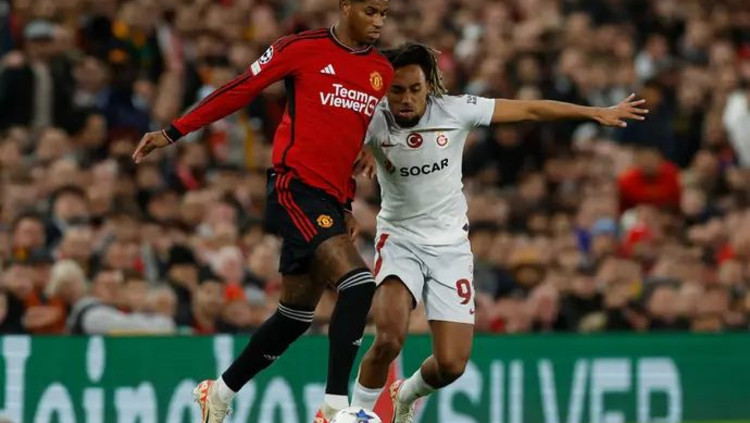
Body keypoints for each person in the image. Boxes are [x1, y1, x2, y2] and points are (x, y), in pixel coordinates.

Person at [350, 43, 648, 422]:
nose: (406, 99)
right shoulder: (372, 120)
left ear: (428, 88)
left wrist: (594, 112)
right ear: (385, 90)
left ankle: (405, 393)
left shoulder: (455, 110)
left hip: (450, 247)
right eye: (397, 91)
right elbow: (334, 157)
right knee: (389, 338)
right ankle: (355, 414)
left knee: (452, 365)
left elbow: (530, 109)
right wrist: (353, 172)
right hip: (400, 240)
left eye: (414, 89)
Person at [131, 1, 392, 422]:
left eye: (384, 13)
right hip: (295, 188)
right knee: (359, 284)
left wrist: (351, 191)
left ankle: (218, 393)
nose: (379, 21)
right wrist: (174, 131)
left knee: (295, 316)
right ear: (346, 6)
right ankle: (334, 408)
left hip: (333, 199)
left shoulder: (381, 70)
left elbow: (357, 134)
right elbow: (240, 88)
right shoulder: (300, 48)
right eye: (371, 11)